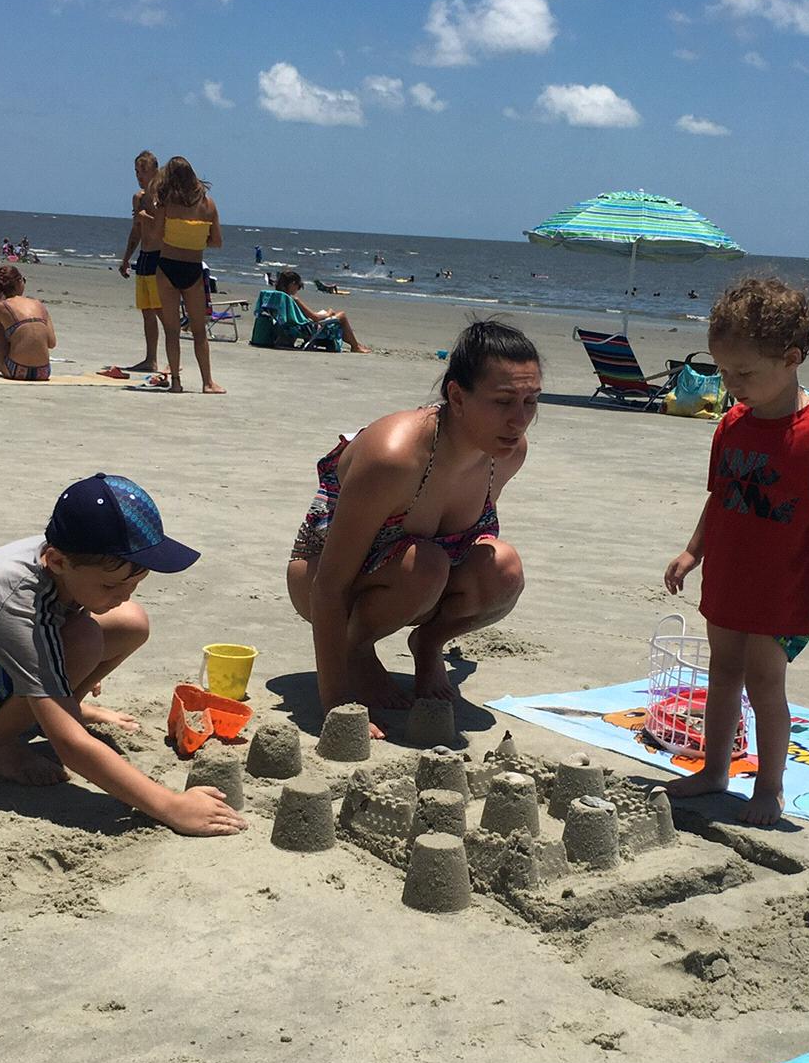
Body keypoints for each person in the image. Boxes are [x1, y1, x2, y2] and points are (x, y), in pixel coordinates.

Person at [0, 473, 246, 836]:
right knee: (82, 639)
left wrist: (67, 673)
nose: (124, 594)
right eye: (112, 585)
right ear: (58, 561)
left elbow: (69, 608)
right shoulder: (20, 605)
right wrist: (171, 806)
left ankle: (60, 706)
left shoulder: (65, 555)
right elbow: (70, 748)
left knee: (132, 622)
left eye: (136, 582)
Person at [663, 276, 809, 826]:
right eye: (724, 371)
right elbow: (720, 496)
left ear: (791, 358)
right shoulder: (730, 425)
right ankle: (715, 769)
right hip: (728, 574)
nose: (731, 383)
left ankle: (769, 786)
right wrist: (692, 551)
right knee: (722, 671)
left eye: (744, 372)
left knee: (764, 682)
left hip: (781, 585)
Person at [287, 318, 538, 723]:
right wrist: (336, 707)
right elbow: (329, 585)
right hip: (322, 579)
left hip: (418, 577)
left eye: (531, 402)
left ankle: (428, 644)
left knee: (503, 568)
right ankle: (356, 649)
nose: (519, 419)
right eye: (503, 402)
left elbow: (466, 544)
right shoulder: (395, 456)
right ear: (457, 397)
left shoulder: (508, 452)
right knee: (427, 563)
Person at [147, 157, 226, 392]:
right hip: (193, 268)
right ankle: (207, 382)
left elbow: (156, 235)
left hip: (168, 266)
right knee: (199, 331)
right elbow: (217, 241)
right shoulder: (208, 204)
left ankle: (176, 383)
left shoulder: (166, 204)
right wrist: (196, 238)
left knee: (172, 331)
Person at [118, 150, 165, 373]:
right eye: (137, 171)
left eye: (143, 171)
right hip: (144, 256)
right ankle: (151, 359)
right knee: (147, 311)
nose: (139, 175)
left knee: (162, 310)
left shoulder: (163, 197)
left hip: (159, 257)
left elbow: (165, 227)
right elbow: (136, 230)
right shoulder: (138, 198)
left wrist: (150, 217)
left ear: (155, 170)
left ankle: (173, 359)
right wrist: (126, 258)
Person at [0, 264, 53, 379]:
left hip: (17, 370)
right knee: (12, 330)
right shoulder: (38, 304)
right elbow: (52, 343)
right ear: (19, 282)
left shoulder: (1, 307)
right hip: (43, 372)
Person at [273, 269, 368, 352]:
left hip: (290, 327)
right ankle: (355, 346)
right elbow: (315, 318)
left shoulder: (277, 297)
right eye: (298, 286)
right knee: (341, 315)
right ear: (292, 284)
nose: (298, 289)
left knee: (331, 315)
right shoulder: (293, 299)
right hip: (306, 328)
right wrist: (328, 314)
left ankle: (356, 344)